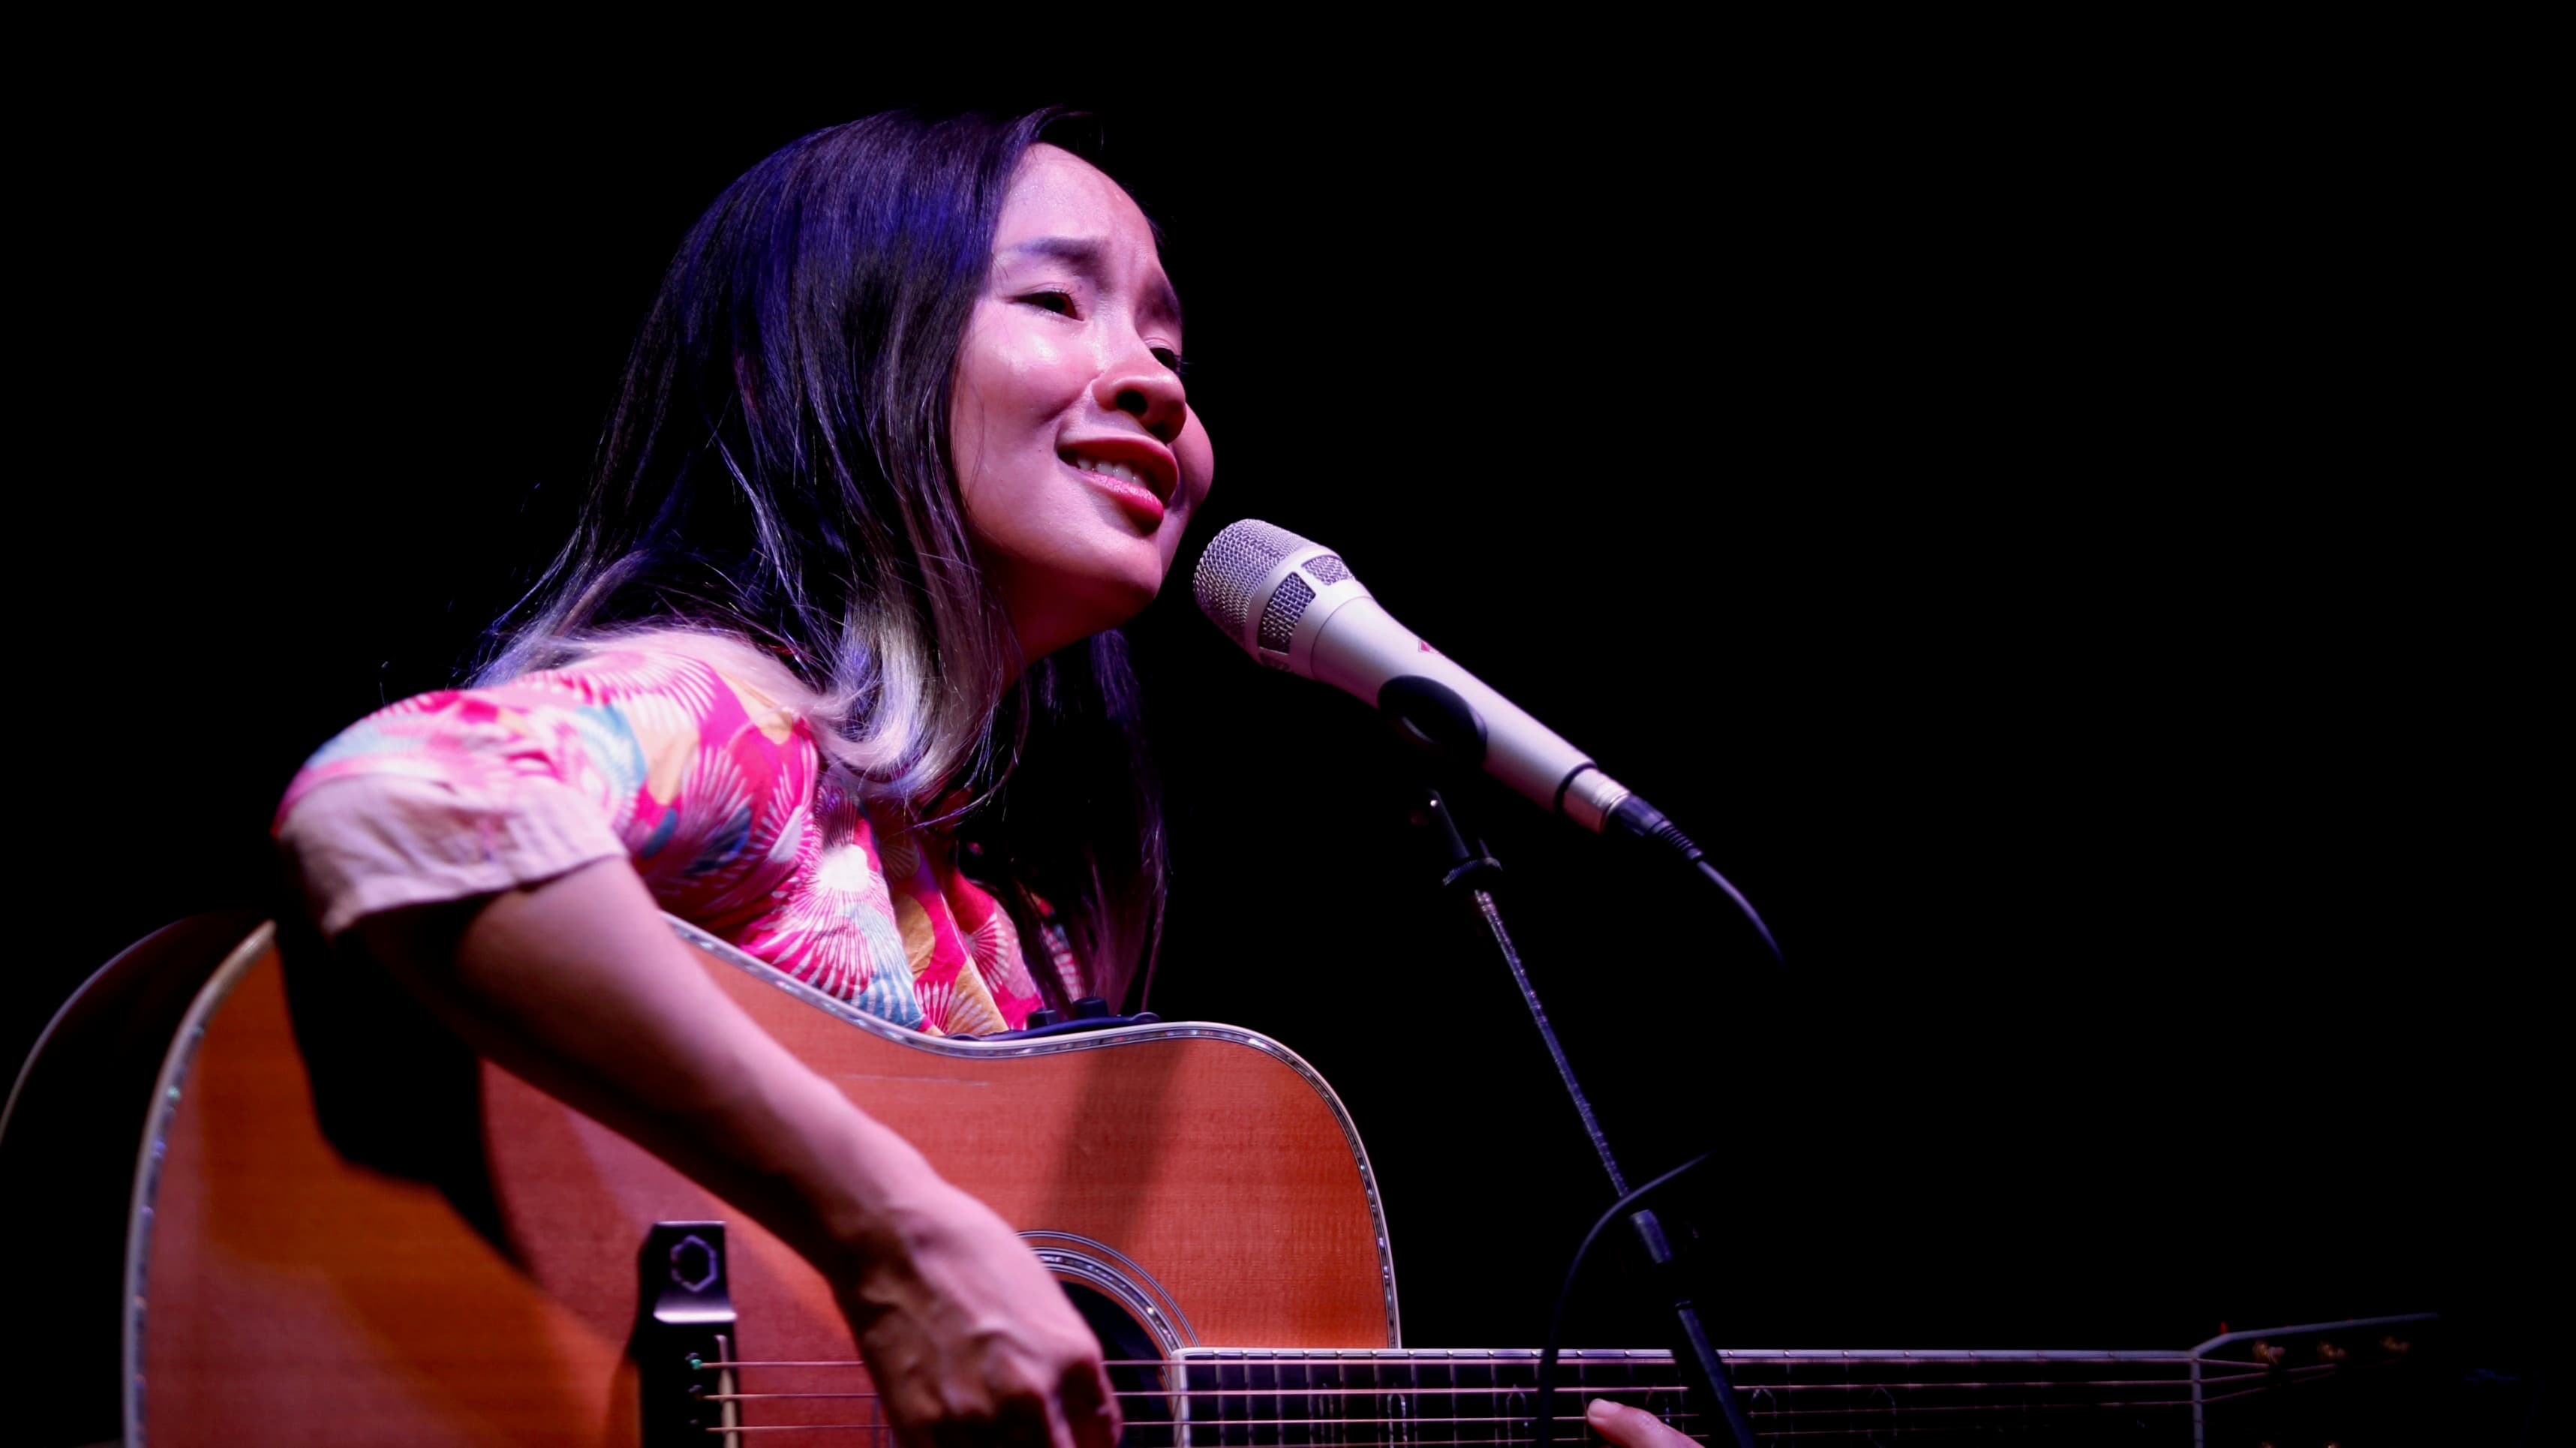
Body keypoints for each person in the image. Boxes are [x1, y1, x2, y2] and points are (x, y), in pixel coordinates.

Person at [273, 107, 1692, 1448]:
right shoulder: (735, 726)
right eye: (1055, 302)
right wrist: (892, 1228)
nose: (1155, 379)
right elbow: (399, 799)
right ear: (829, 357)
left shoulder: (1021, 927)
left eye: (1167, 338)